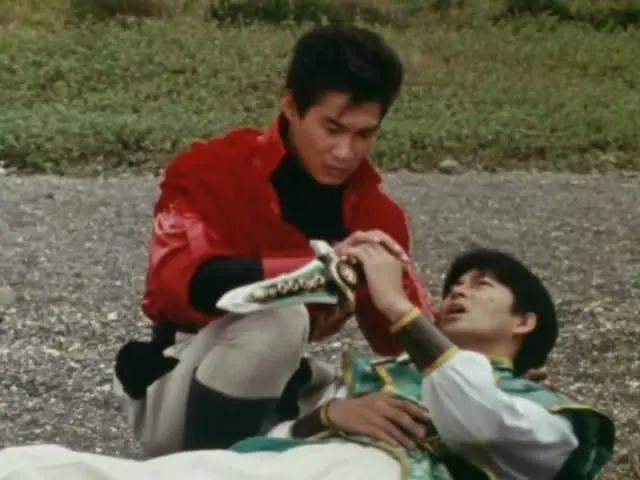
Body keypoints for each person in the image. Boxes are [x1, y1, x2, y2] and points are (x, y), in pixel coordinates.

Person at [0, 247, 614, 480]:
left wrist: (396, 306)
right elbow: (276, 438)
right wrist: (332, 416)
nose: (457, 293)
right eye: (453, 286)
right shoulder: (379, 379)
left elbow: (477, 420)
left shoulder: (547, 417)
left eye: (481, 285)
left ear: (524, 322)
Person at [111, 24, 435, 458]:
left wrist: (497, 360)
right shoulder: (212, 169)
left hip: (287, 388)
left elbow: (404, 340)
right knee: (281, 318)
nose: (345, 151)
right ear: (291, 106)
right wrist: (321, 271)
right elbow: (181, 285)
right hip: (177, 383)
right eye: (332, 128)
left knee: (406, 411)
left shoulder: (377, 216)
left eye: (364, 134)